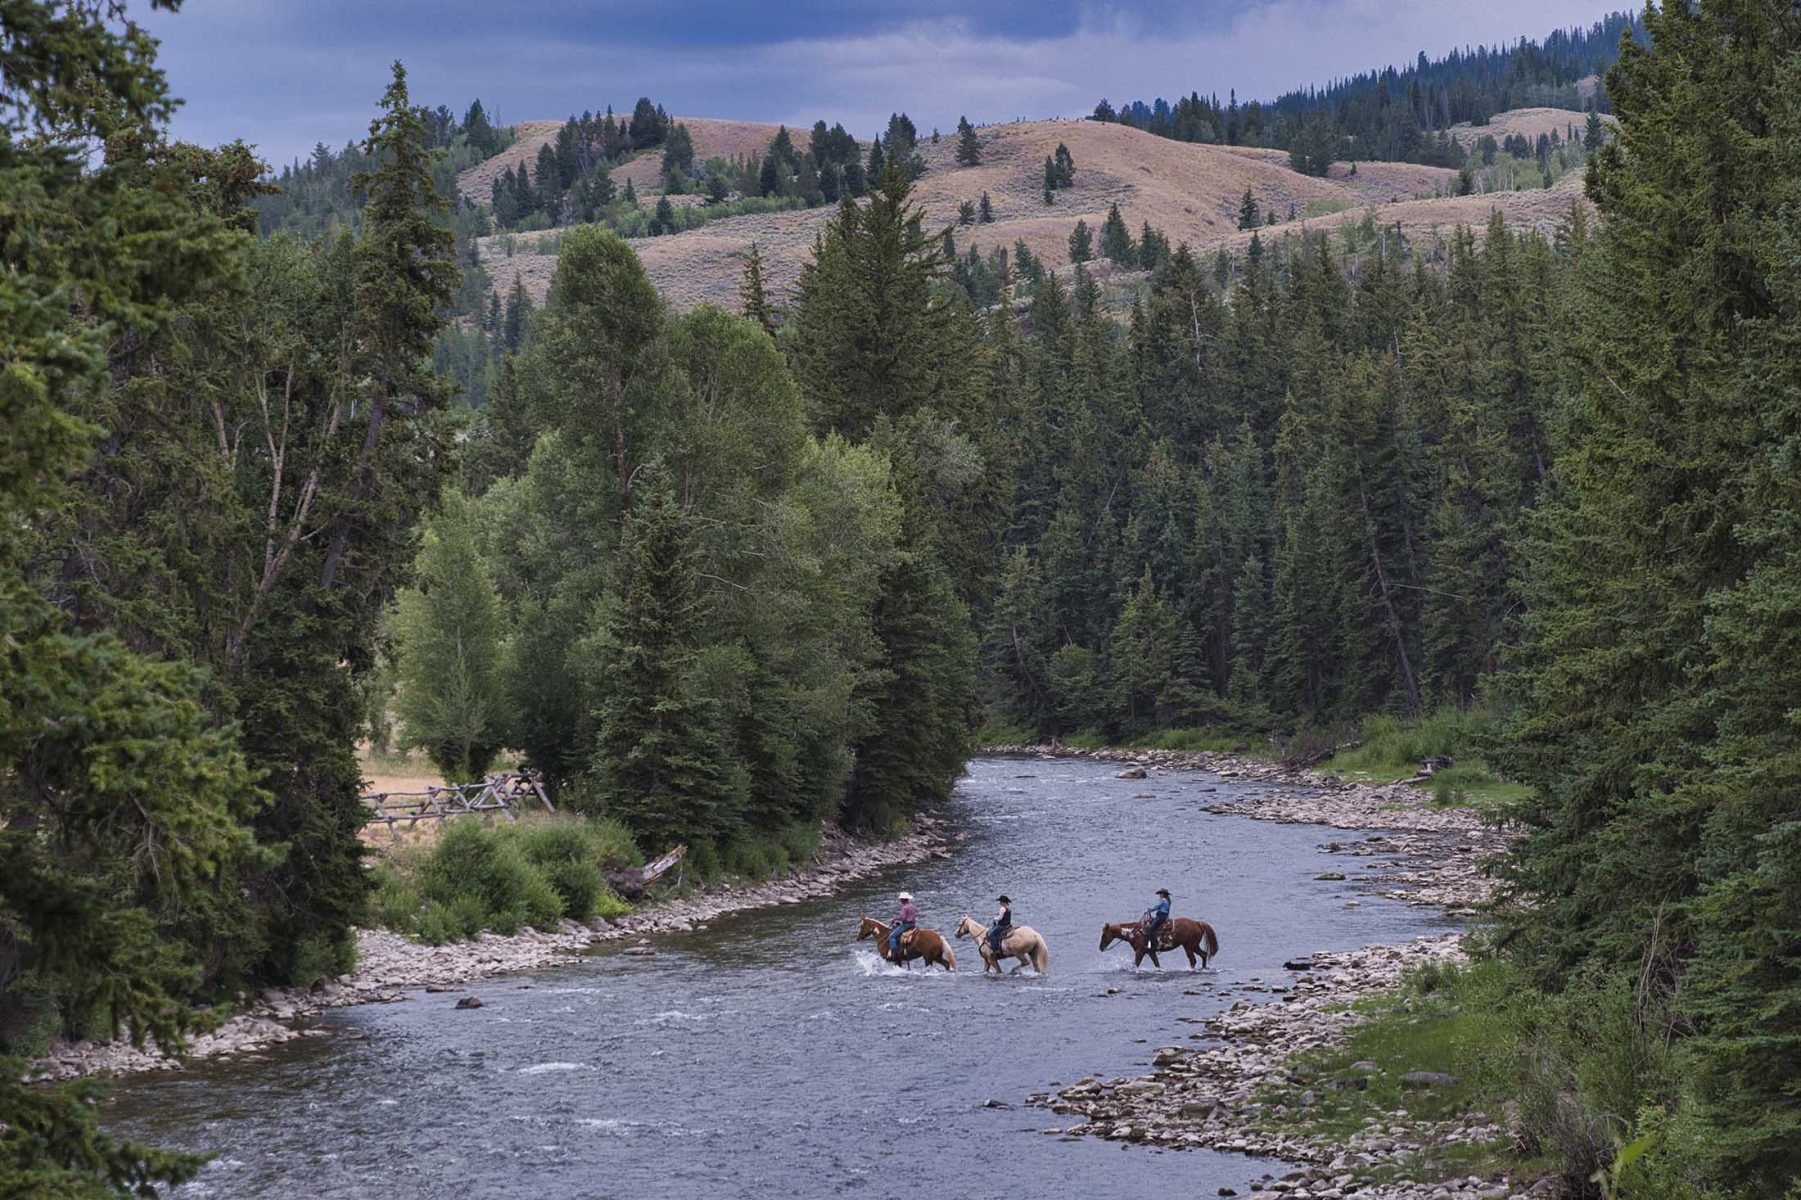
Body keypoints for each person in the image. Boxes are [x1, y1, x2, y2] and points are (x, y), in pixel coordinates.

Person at [1141, 888, 1172, 968]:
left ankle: (1156, 945)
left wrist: (1149, 910)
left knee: (1151, 930)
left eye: (1161, 894)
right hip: (1161, 916)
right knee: (1149, 927)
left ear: (1164, 894)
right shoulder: (1167, 900)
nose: (1160, 895)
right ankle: (1149, 944)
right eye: (1159, 894)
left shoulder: (1163, 900)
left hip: (1161, 917)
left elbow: (1157, 907)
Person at [889, 891, 917, 961]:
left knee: (892, 936)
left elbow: (903, 917)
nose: (900, 901)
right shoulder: (912, 906)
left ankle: (895, 953)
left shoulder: (905, 908)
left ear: (903, 899)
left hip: (906, 925)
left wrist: (894, 919)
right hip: (913, 924)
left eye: (901, 899)